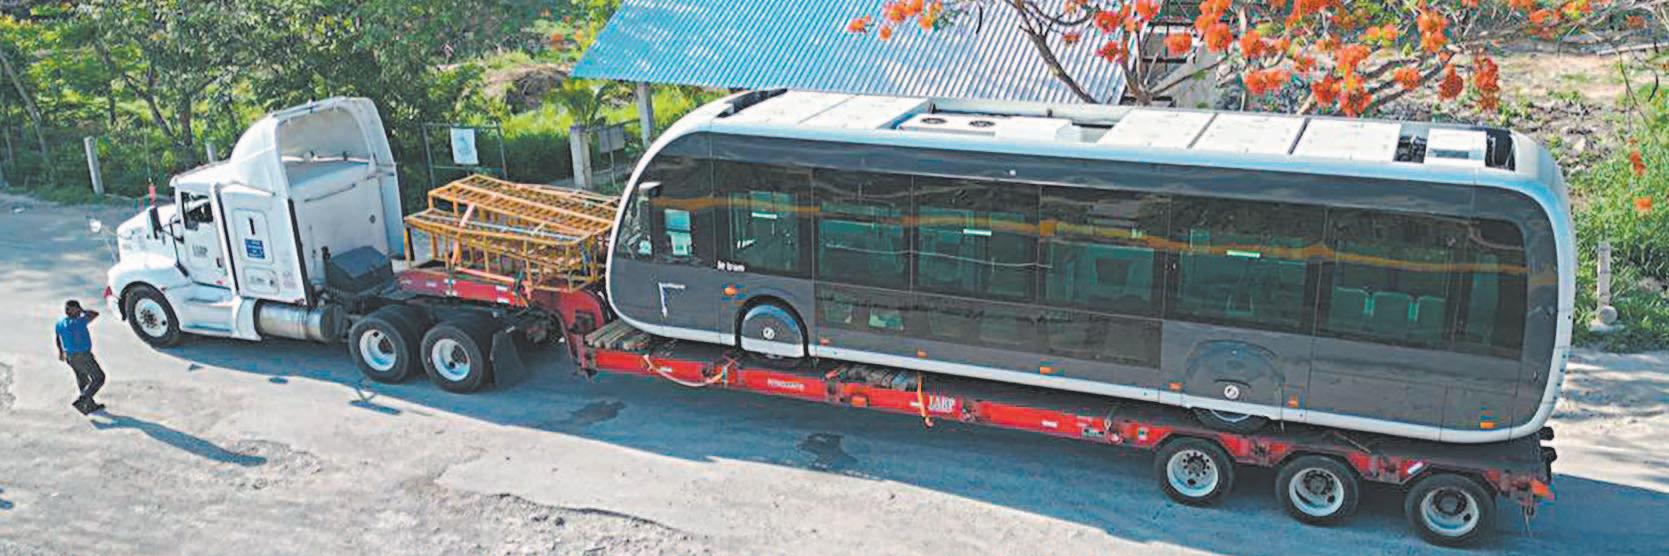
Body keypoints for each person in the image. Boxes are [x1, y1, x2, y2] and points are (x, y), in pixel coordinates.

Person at [55, 300, 106, 415]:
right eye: (76, 308)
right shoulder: (80, 321)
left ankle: (89, 405)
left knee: (82, 379)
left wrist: (61, 351)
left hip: (70, 356)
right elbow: (95, 314)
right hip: (83, 355)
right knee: (99, 377)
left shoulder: (60, 323)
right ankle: (82, 400)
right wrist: (83, 311)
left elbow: (57, 337)